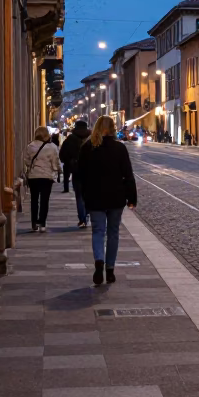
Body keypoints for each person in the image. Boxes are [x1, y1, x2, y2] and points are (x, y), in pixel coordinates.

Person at [76, 115, 138, 286]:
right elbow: (128, 175)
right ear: (112, 129)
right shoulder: (119, 148)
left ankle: (99, 261)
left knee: (97, 231)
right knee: (113, 233)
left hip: (95, 197)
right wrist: (132, 198)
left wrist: (84, 194)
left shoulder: (88, 147)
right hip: (116, 197)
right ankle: (110, 269)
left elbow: (80, 174)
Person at [22, 126, 60, 233]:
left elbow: (27, 161)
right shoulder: (52, 147)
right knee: (44, 200)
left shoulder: (30, 146)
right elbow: (55, 162)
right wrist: (56, 170)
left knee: (34, 200)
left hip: (33, 176)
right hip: (46, 177)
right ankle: (42, 223)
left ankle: (34, 223)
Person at [59, 119, 91, 226]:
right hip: (89, 172)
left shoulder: (70, 139)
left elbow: (62, 155)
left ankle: (82, 218)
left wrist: (69, 163)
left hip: (76, 172)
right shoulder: (91, 139)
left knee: (79, 196)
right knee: (88, 195)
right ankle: (86, 214)